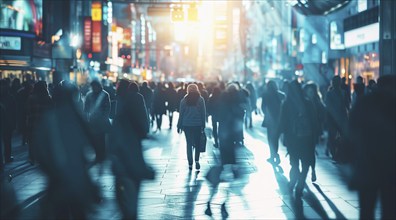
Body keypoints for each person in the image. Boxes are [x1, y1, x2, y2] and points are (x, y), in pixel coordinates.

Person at [33, 80, 100, 219]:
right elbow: (96, 146)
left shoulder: (49, 118)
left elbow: (38, 150)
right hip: (78, 179)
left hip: (57, 178)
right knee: (79, 213)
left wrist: (50, 169)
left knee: (60, 213)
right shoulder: (79, 118)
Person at [349, 75, 395, 219]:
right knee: (389, 209)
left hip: (367, 163)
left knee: (367, 209)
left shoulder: (364, 102)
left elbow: (351, 129)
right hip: (391, 166)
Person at [110, 79, 155, 219]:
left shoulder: (118, 101)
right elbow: (143, 118)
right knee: (134, 192)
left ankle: (127, 214)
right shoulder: (137, 98)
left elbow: (112, 120)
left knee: (121, 194)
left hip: (119, 158)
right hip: (133, 154)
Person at [279, 80, 319, 198]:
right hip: (307, 139)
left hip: (293, 140)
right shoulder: (308, 103)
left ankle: (293, 181)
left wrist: (279, 136)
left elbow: (282, 123)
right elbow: (315, 121)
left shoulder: (286, 104)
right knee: (306, 163)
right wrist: (315, 137)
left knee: (295, 163)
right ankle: (300, 184)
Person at [177, 84, 206, 170]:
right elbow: (203, 113)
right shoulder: (200, 100)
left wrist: (179, 125)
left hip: (187, 125)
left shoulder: (184, 100)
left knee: (189, 144)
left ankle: (190, 163)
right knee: (197, 143)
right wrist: (203, 124)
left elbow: (181, 114)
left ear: (188, 90)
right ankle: (197, 160)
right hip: (197, 124)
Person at [84, 79, 111, 173]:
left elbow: (108, 107)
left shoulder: (104, 94)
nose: (94, 88)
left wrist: (104, 118)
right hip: (93, 121)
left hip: (102, 121)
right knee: (95, 139)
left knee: (102, 138)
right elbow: (86, 108)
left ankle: (102, 155)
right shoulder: (89, 95)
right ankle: (98, 154)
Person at [303, 82, 326, 182]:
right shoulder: (303, 102)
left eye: (312, 92)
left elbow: (323, 115)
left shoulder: (317, 103)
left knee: (311, 152)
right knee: (304, 152)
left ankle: (312, 170)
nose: (310, 93)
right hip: (303, 132)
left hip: (313, 131)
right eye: (308, 91)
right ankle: (305, 170)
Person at [26, 81, 53, 165]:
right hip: (45, 124)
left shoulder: (31, 97)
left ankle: (32, 158)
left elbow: (28, 111)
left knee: (32, 141)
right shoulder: (48, 98)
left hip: (33, 123)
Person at [325, 76, 349, 162]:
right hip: (335, 118)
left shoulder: (342, 93)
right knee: (334, 137)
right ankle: (335, 153)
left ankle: (337, 153)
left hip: (339, 118)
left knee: (338, 136)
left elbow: (346, 104)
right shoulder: (331, 93)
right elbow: (346, 105)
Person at [262, 80, 285, 165]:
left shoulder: (266, 95)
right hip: (279, 120)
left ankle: (274, 156)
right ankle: (274, 155)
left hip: (270, 121)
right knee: (276, 139)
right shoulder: (281, 95)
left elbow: (263, 107)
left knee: (270, 139)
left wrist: (267, 114)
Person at [0, 79, 17, 163]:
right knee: (7, 141)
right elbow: (14, 111)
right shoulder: (11, 97)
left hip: (6, 123)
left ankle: (6, 157)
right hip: (7, 123)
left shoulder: (11, 97)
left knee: (7, 141)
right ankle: (7, 157)